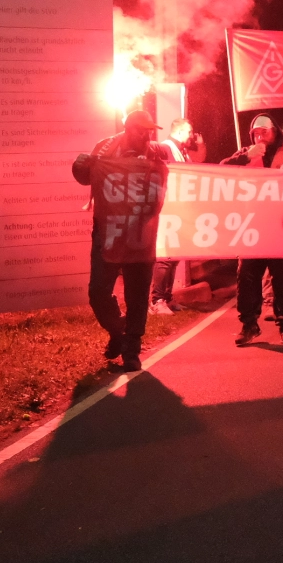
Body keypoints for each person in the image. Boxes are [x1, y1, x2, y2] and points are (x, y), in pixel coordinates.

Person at [72, 110, 170, 372]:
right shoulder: (104, 148)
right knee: (98, 292)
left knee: (137, 295)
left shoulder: (154, 154)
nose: (147, 135)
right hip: (109, 232)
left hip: (140, 235)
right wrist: (80, 165)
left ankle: (132, 350)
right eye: (141, 130)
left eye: (150, 131)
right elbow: (85, 177)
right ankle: (119, 330)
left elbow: (160, 190)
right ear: (127, 129)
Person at [221, 114, 283, 346]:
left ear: (275, 131)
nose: (259, 136)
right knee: (247, 276)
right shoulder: (246, 152)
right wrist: (246, 156)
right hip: (252, 227)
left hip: (281, 227)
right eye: (256, 132)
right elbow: (222, 169)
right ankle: (249, 325)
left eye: (264, 131)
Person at [148, 118, 205, 315]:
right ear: (180, 131)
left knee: (175, 256)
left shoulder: (183, 153)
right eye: (190, 132)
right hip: (167, 212)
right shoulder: (165, 147)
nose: (192, 136)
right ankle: (156, 301)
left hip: (180, 212)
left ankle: (167, 297)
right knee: (165, 257)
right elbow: (152, 150)